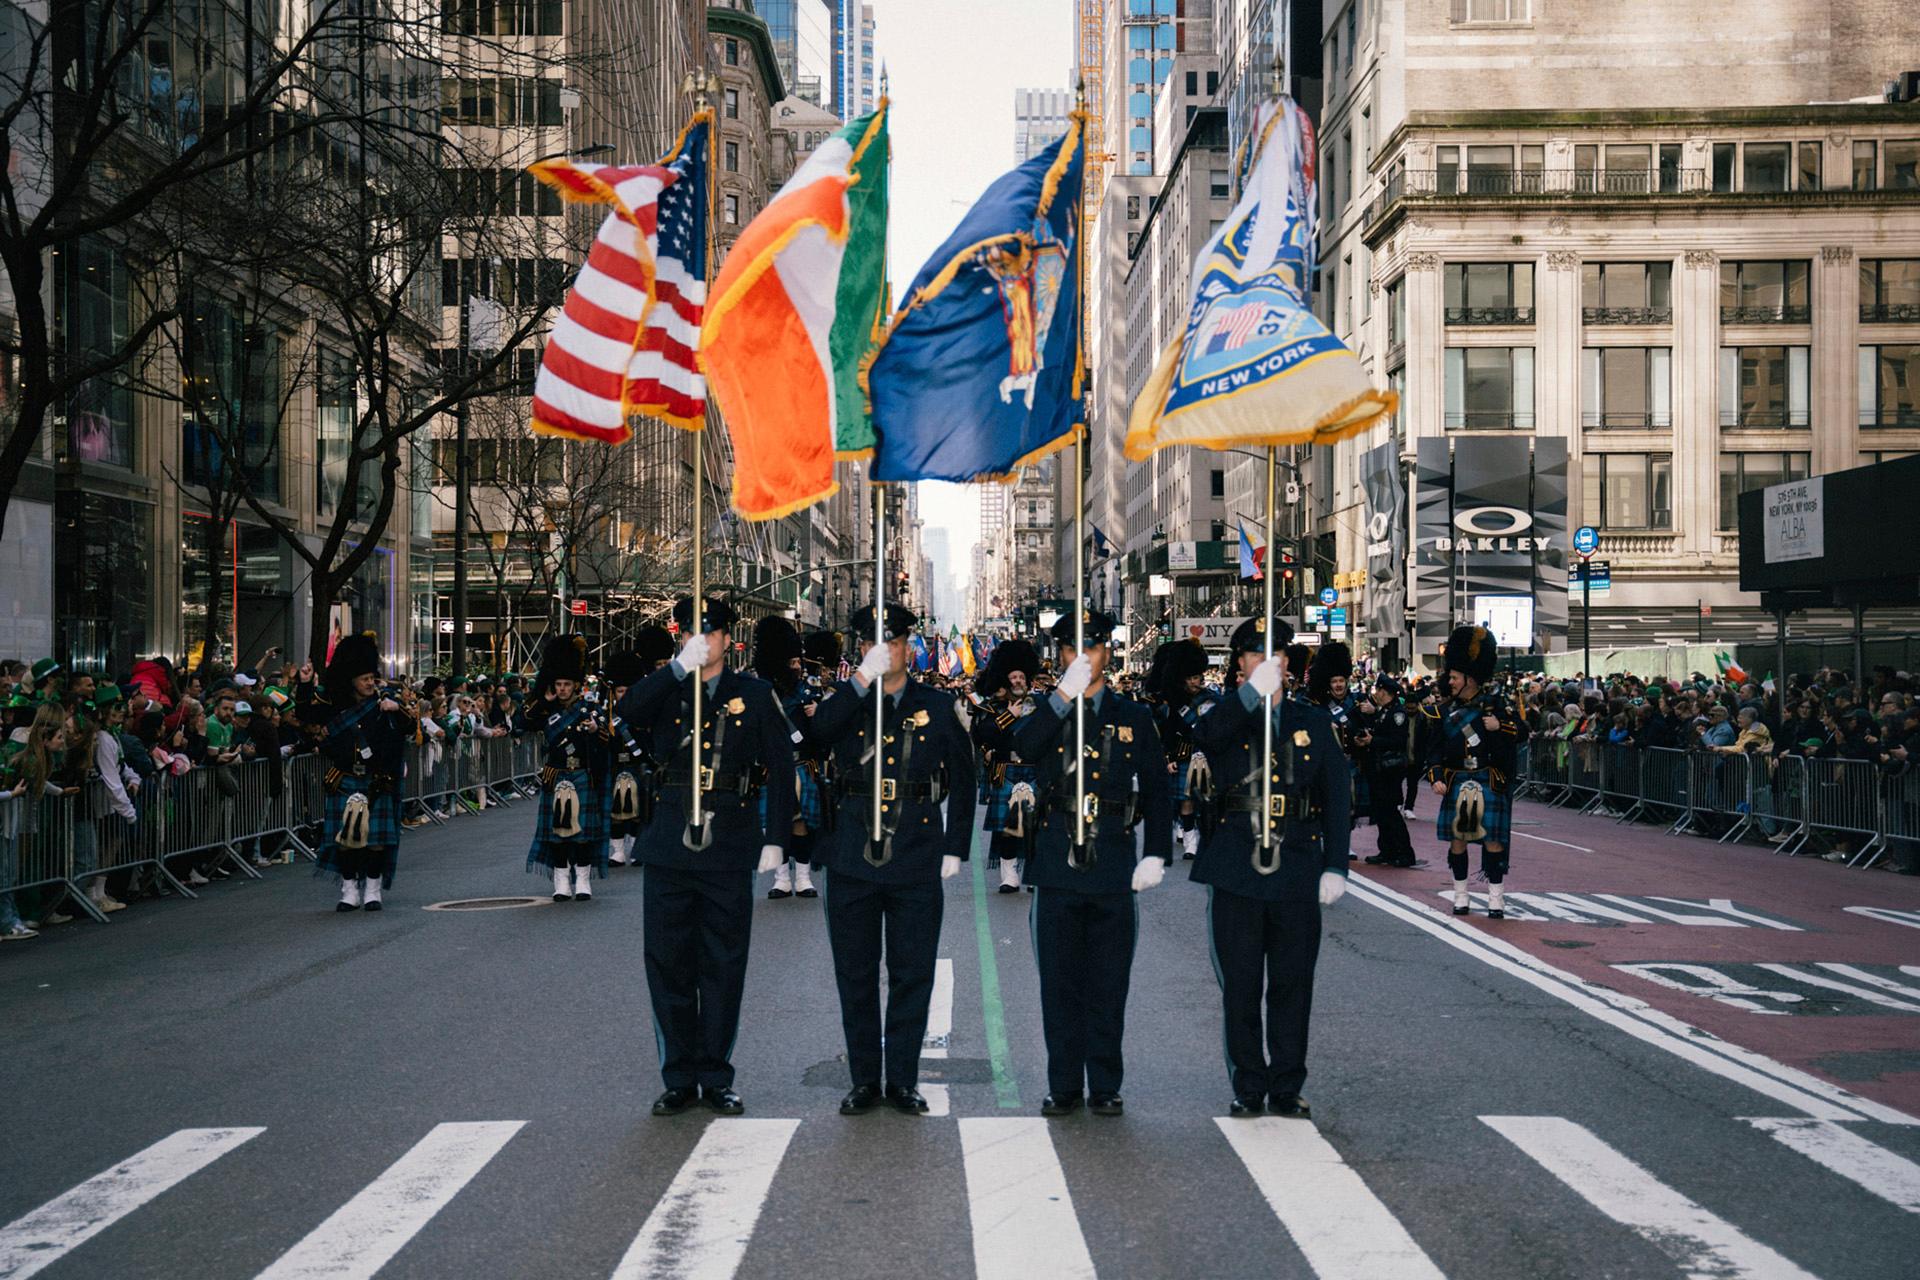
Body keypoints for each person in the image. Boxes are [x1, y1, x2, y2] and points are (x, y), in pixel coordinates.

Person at [614, 596, 793, 1117]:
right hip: (671, 839)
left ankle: (715, 1074)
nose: (703, 641)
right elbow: (626, 712)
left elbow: (781, 769)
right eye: (693, 633)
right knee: (668, 963)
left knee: (722, 964)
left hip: (729, 839)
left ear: (727, 640)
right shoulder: (667, 689)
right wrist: (676, 668)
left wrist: (777, 838)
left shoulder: (754, 695)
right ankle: (677, 1076)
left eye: (711, 634)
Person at [806, 602, 975, 1116]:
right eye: (873, 643)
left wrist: (955, 847)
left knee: (911, 971)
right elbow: (816, 735)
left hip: (916, 850)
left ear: (908, 645)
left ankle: (901, 1079)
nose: (886, 650)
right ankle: (863, 1080)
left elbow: (965, 780)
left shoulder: (938, 707)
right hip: (853, 852)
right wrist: (860, 680)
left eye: (895, 642)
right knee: (855, 974)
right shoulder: (848, 699)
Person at [1011, 609, 1170, 1117]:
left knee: (1108, 983)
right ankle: (1063, 1085)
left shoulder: (1133, 716)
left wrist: (1157, 854)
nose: (1084, 657)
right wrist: (1061, 697)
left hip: (1113, 858)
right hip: (1057, 860)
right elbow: (1024, 746)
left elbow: (1160, 790)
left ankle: (1104, 1083)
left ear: (1108, 652)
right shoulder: (1050, 710)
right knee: (1059, 984)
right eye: (1071, 650)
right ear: (1058, 655)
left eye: (1094, 648)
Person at [1191, 614, 1350, 1119]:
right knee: (1240, 986)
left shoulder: (1313, 722)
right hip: (1238, 861)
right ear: (1239, 664)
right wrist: (1246, 700)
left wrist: (1336, 866)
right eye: (1257, 655)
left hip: (1298, 859)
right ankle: (1248, 1084)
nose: (1269, 663)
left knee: (1291, 983)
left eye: (1277, 655)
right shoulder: (1226, 714)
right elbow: (1206, 737)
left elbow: (1338, 797)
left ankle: (1286, 1084)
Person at [312, 632, 415, 912]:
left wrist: (397, 708)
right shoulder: (336, 707)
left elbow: (409, 727)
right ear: (351, 681)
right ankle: (349, 891)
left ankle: (372, 889)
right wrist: (303, 684)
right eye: (365, 679)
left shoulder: (385, 702)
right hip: (345, 776)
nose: (370, 683)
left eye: (372, 677)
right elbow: (311, 720)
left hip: (376, 779)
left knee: (376, 841)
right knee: (346, 839)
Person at [1425, 625, 1522, 919]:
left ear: (1470, 677)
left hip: (1487, 777)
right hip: (1457, 778)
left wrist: (1500, 727)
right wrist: (1437, 777)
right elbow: (1433, 750)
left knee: (1493, 840)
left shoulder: (1496, 707)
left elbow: (1523, 731)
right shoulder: (1443, 711)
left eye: (1453, 677)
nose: (1449, 681)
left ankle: (1496, 899)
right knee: (1458, 840)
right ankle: (1461, 896)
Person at [518, 635, 612, 902]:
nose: (561, 689)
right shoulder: (546, 710)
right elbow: (521, 722)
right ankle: (561, 881)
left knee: (581, 834)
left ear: (576, 685)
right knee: (558, 833)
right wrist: (543, 700)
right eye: (558, 684)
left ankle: (582, 880)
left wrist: (595, 730)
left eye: (566, 684)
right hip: (556, 775)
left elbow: (607, 737)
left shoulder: (589, 709)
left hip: (582, 774)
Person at [753, 616, 822, 900]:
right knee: (775, 824)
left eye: (799, 662)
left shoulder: (808, 694)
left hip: (801, 764)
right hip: (772, 767)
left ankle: (803, 877)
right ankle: (781, 879)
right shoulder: (760, 694)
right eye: (792, 662)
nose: (798, 667)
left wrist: (819, 716)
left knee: (801, 822)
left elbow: (822, 739)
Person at [969, 638, 1042, 893]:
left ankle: (1033, 873)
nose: (1019, 680)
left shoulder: (1041, 705)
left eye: (1022, 676)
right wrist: (1009, 715)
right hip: (1007, 769)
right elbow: (982, 734)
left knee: (1035, 825)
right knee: (1007, 829)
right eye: (1014, 676)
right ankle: (1009, 874)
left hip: (1035, 770)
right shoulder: (993, 708)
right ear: (1006, 680)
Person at [1146, 639, 1214, 861]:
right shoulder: (1174, 704)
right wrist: (1169, 756)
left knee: (1203, 800)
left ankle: (1197, 834)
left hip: (1206, 753)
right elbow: (1165, 731)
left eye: (1197, 677)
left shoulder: (1210, 698)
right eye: (1191, 678)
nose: (1195, 682)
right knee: (1183, 799)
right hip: (1183, 753)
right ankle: (1189, 839)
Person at [1360, 675, 1418, 868]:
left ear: (1385, 692)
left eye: (1378, 690)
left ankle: (1405, 852)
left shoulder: (1396, 714)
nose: (1376, 693)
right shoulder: (1384, 711)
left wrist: (1373, 741)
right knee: (1381, 812)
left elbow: (1398, 741)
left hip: (1390, 769)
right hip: (1379, 768)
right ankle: (1387, 850)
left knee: (1391, 812)